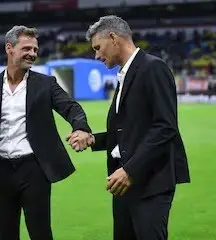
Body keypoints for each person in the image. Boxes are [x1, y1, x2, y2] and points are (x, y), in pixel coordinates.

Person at [67, 16, 190, 240]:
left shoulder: (153, 68)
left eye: (98, 47)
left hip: (150, 182)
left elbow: (165, 127)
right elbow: (129, 131)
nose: (96, 55)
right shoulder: (126, 74)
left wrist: (130, 170)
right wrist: (94, 139)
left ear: (113, 38)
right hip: (123, 182)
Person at [0, 25, 92, 240]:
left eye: (35, 49)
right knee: (6, 235)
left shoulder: (45, 84)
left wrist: (80, 127)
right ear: (9, 48)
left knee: (41, 233)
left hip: (34, 170)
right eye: (26, 48)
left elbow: (71, 107)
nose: (32, 54)